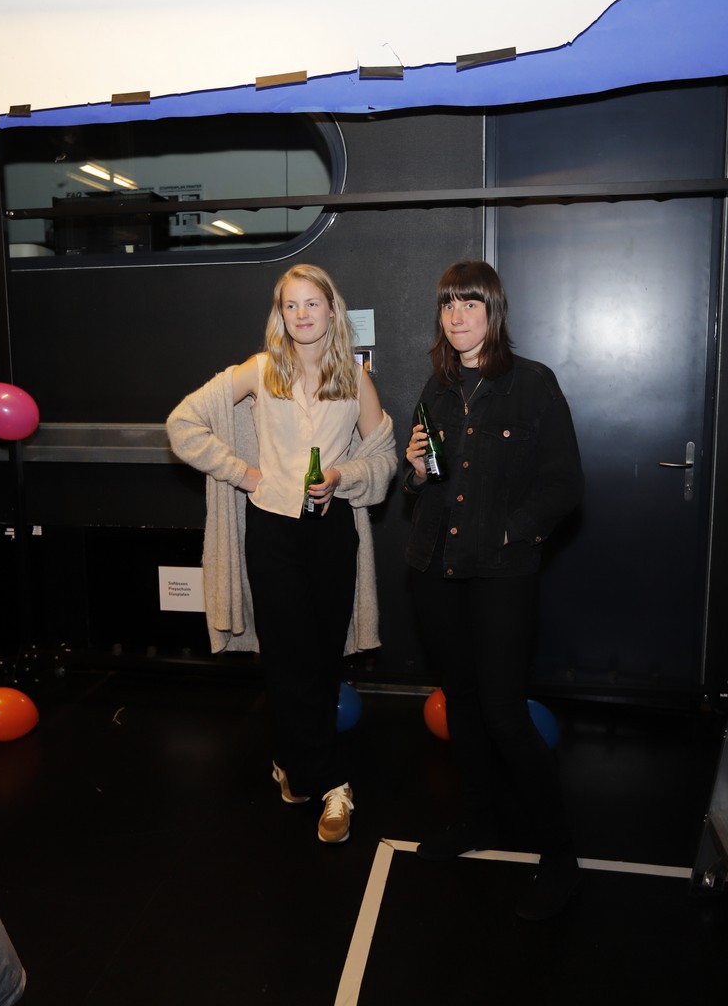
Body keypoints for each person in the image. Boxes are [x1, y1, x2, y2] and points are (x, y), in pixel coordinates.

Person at [167, 264, 397, 845]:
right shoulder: (261, 369)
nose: (301, 315)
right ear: (280, 314)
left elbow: (384, 456)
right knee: (289, 657)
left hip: (332, 531)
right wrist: (244, 474)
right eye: (290, 305)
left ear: (331, 309)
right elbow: (183, 423)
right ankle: (334, 785)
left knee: (322, 660)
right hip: (272, 530)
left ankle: (293, 765)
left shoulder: (355, 378)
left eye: (311, 303)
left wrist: (342, 475)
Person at [403, 260, 584, 920]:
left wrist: (509, 532)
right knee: (463, 705)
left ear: (493, 312)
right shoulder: (438, 386)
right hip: (436, 569)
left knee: (505, 712)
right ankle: (479, 819)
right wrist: (415, 470)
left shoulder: (533, 383)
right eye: (448, 304)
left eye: (470, 304)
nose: (457, 316)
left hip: (502, 573)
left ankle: (558, 852)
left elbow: (564, 485)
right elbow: (430, 484)